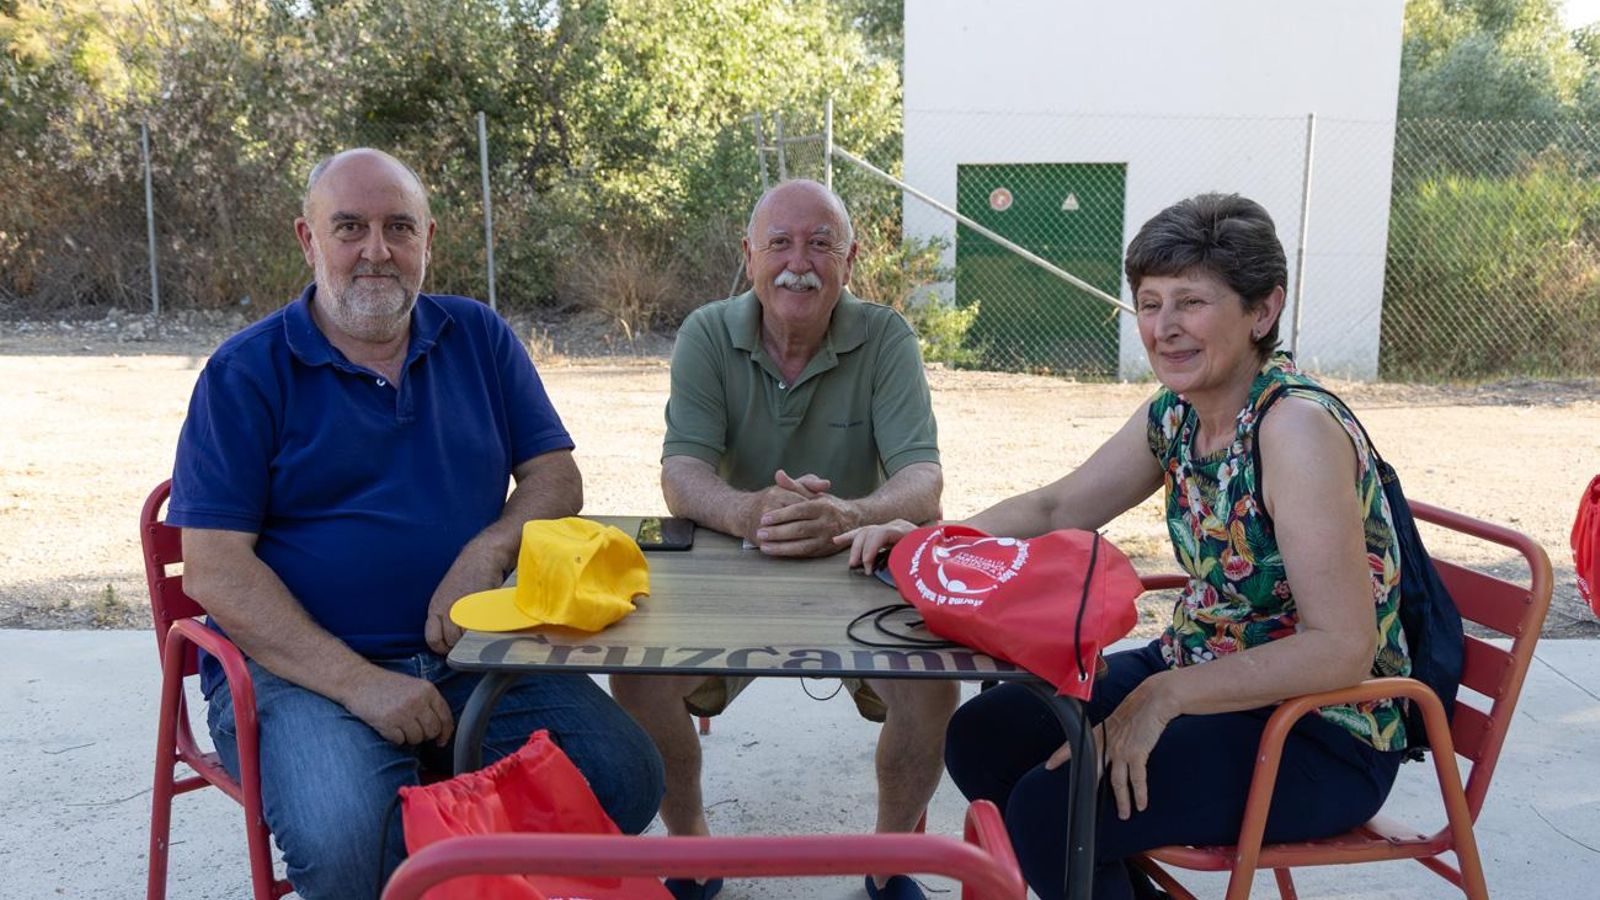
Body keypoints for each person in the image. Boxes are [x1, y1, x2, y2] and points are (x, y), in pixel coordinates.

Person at [842, 193, 1411, 900]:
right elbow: (1059, 507)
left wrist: (1161, 697)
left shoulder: (1293, 429)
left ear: (1263, 311)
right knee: (985, 735)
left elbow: (1342, 648)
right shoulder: (1177, 413)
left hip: (1323, 729)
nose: (1164, 328)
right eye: (1149, 303)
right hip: (1206, 672)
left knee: (1053, 815)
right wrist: (932, 545)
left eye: (1191, 302)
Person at [167, 148, 664, 900]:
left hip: (473, 654)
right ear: (308, 240)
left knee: (623, 778)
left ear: (428, 239)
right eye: (350, 228)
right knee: (349, 847)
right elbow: (214, 568)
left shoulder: (478, 336)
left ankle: (457, 853)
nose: (377, 250)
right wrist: (360, 684)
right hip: (303, 675)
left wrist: (485, 552)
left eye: (399, 227)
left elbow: (555, 477)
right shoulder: (244, 373)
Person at [609, 179, 955, 900]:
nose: (800, 263)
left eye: (821, 244)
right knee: (637, 676)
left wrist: (849, 515)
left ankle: (889, 861)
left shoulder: (886, 336)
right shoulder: (708, 332)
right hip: (731, 570)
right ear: (749, 256)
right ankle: (692, 846)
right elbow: (681, 473)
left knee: (933, 687)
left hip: (855, 570)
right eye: (780, 244)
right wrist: (748, 513)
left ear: (849, 260)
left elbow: (923, 480)